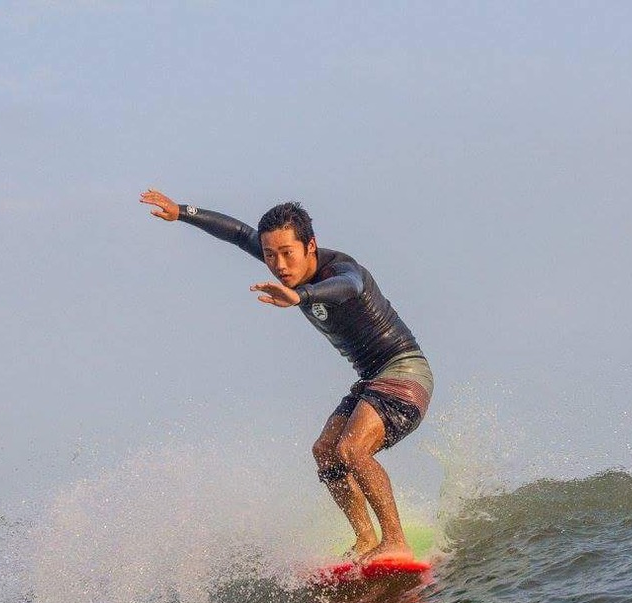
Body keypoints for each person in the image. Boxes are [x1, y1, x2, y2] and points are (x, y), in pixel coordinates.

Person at [139, 189, 434, 565]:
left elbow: (351, 288)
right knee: (326, 453)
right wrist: (182, 212)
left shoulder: (342, 272)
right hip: (371, 380)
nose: (278, 264)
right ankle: (365, 539)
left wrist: (304, 296)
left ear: (310, 246)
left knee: (352, 449)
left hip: (404, 373)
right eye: (269, 255)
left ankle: (395, 540)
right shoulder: (284, 264)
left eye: (287, 253)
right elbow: (237, 233)